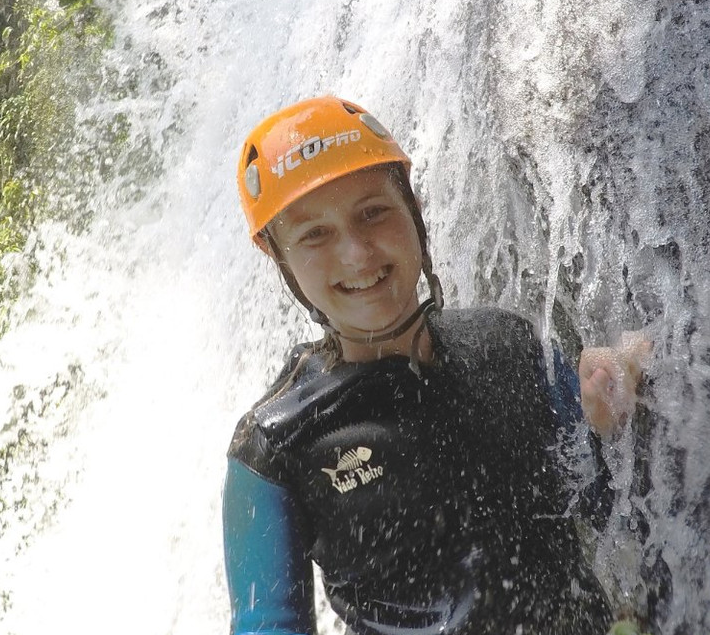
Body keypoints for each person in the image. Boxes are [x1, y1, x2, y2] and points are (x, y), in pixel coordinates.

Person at [223, 96, 649, 635]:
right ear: (277, 255)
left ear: (414, 210)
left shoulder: (510, 345)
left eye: (373, 212)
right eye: (315, 235)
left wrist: (611, 419)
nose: (356, 254)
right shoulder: (275, 448)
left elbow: (608, 502)